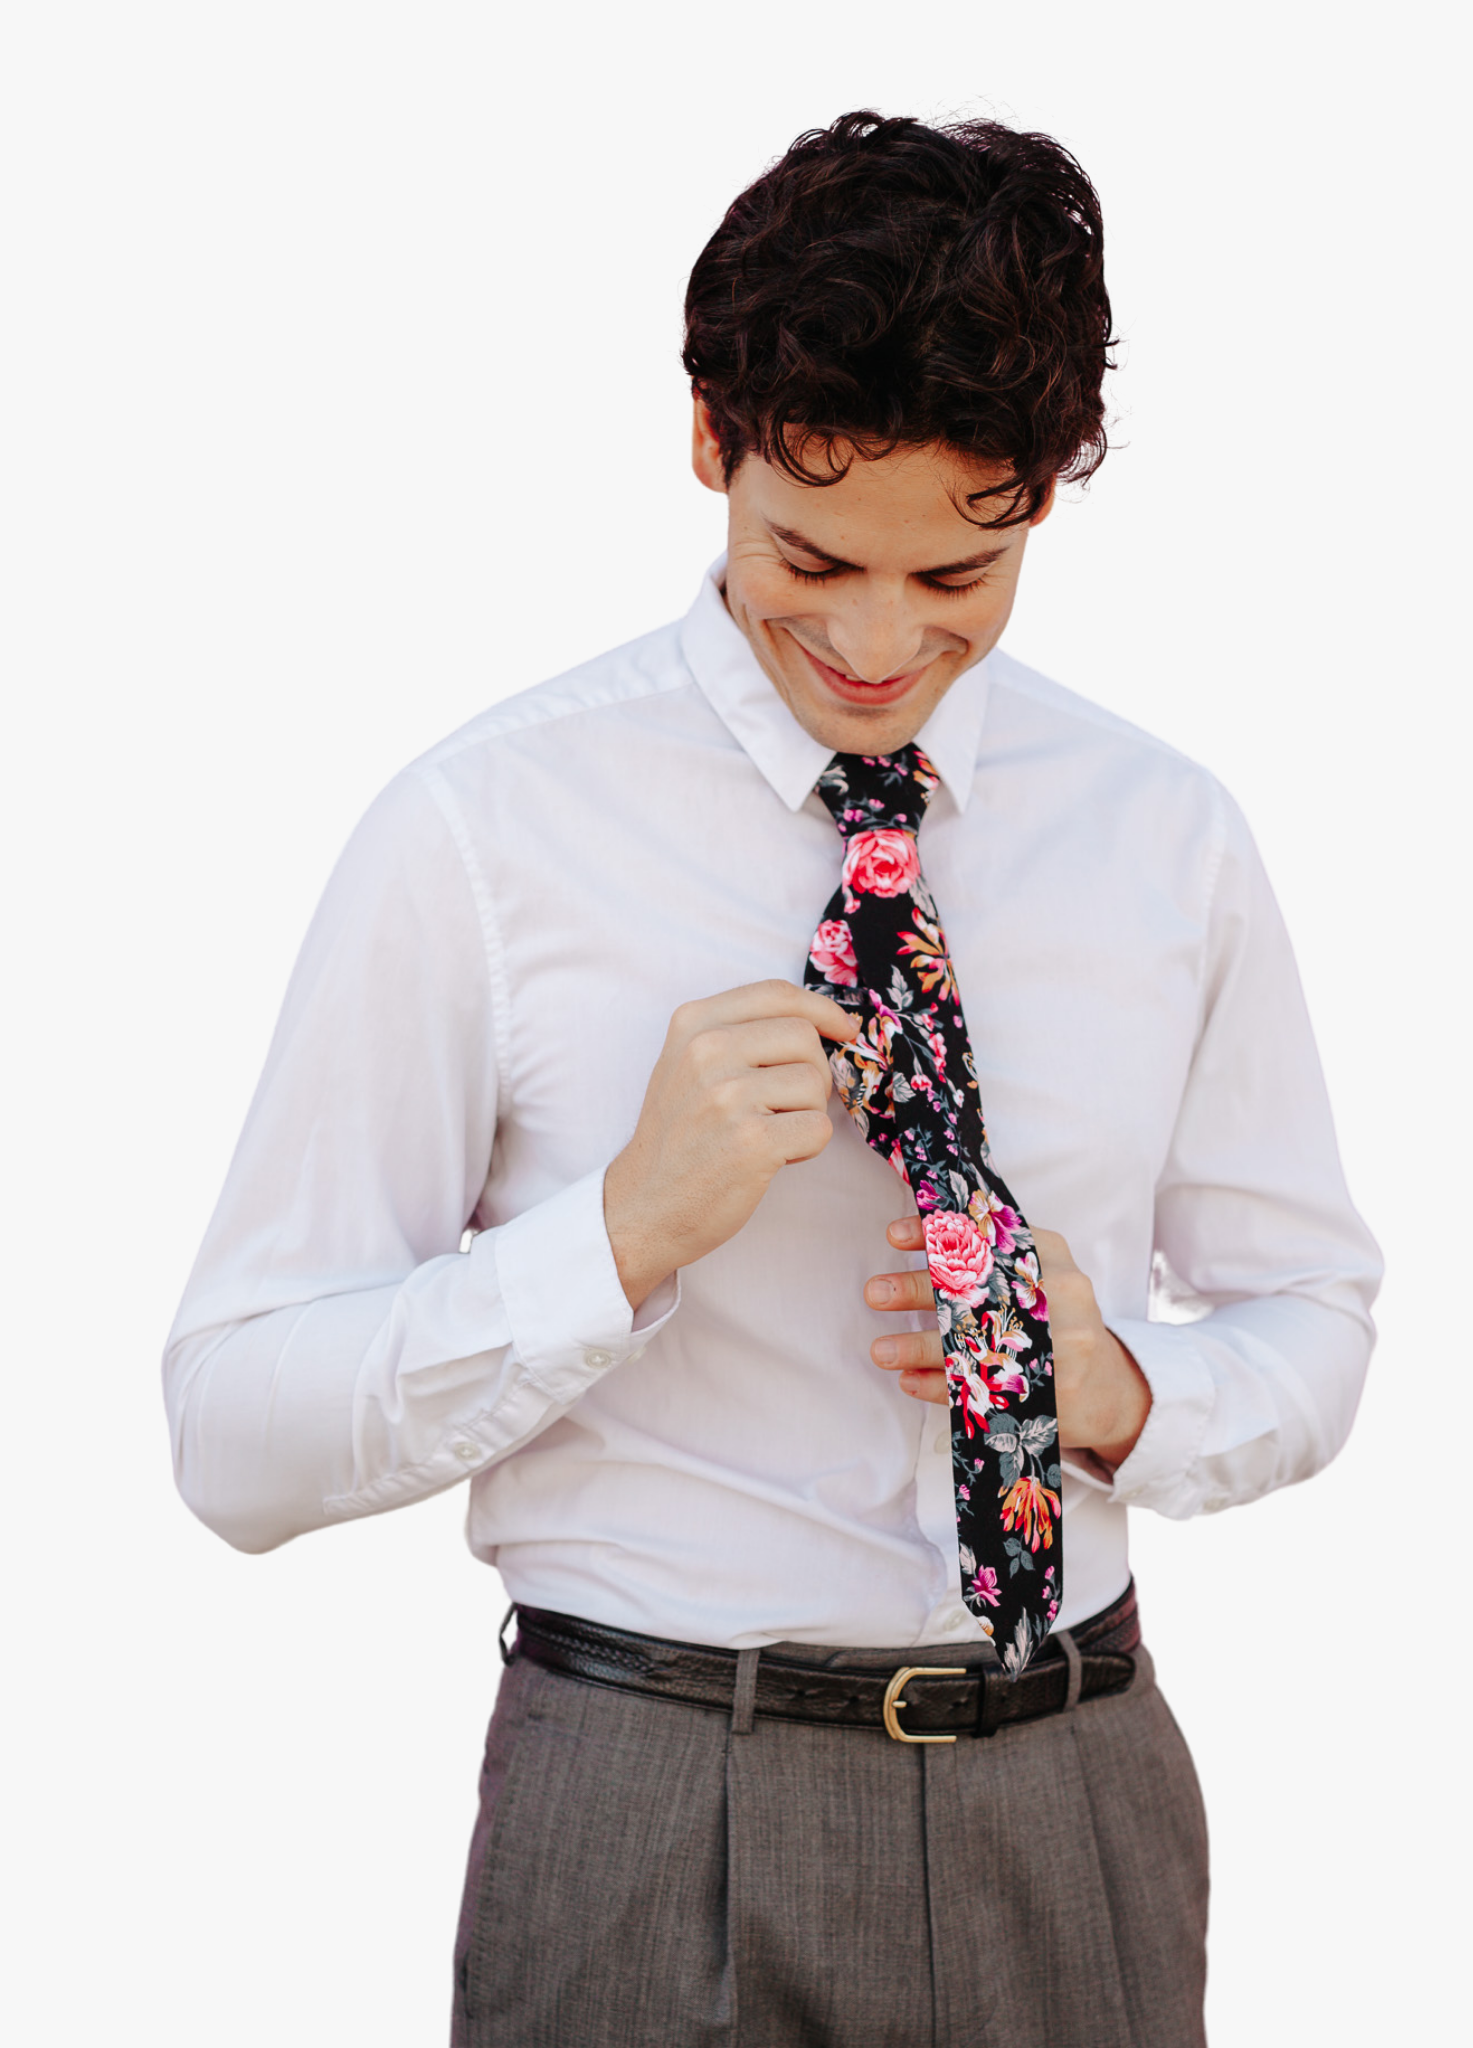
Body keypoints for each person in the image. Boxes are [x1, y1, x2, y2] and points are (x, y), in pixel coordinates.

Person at [163, 111, 1382, 2047]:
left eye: (959, 574)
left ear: (1042, 492)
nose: (883, 644)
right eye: (812, 558)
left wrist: (1119, 1386)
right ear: (708, 437)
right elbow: (231, 1434)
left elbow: (1314, 1313)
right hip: (651, 1801)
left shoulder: (1167, 835)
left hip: (1075, 1792)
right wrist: (622, 1233)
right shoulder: (481, 833)